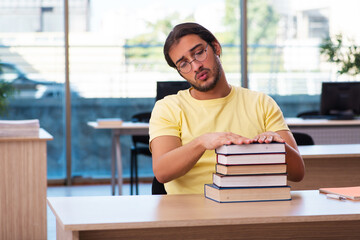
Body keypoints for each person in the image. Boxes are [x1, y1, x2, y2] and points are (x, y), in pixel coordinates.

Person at [149, 22, 305, 194]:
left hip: (251, 206)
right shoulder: (167, 108)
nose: (195, 66)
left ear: (215, 47)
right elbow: (162, 172)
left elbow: (298, 173)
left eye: (199, 53)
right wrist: (201, 142)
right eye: (184, 64)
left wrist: (278, 146)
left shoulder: (261, 103)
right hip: (190, 214)